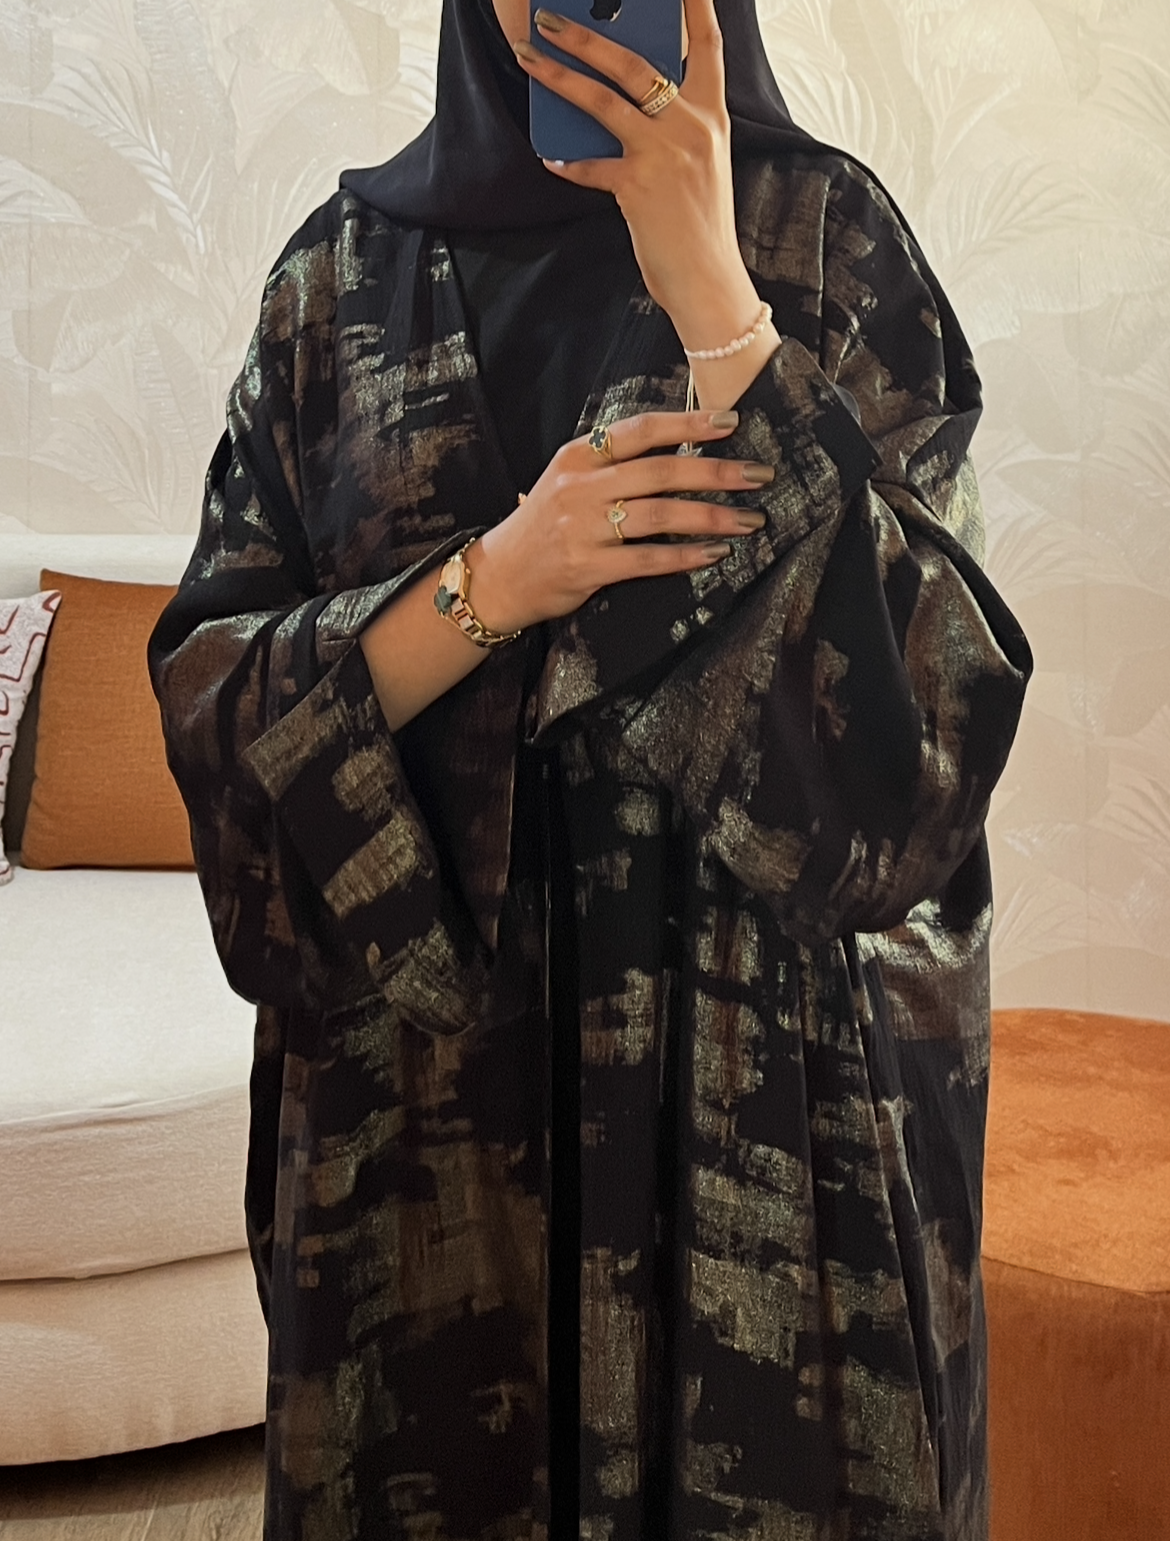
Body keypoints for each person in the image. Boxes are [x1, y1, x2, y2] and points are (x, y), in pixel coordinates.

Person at [149, 0, 1032, 1533]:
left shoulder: (824, 239)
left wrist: (717, 307)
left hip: (763, 1128)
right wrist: (495, 580)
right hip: (425, 1136)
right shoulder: (333, 283)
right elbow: (219, 706)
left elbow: (928, 741)